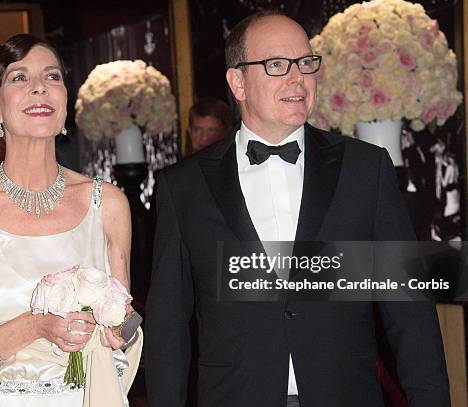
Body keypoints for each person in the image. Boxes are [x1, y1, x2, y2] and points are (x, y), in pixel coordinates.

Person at [145, 11, 449, 407]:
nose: (298, 78)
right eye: (276, 65)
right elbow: (168, 329)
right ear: (237, 81)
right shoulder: (182, 187)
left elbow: (408, 307)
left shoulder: (365, 169)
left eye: (305, 63)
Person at [0, 34, 142, 407]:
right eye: (19, 78)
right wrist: (33, 326)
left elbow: (126, 324)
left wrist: (122, 329)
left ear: (64, 100)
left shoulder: (109, 204)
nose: (39, 87)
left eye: (52, 77)